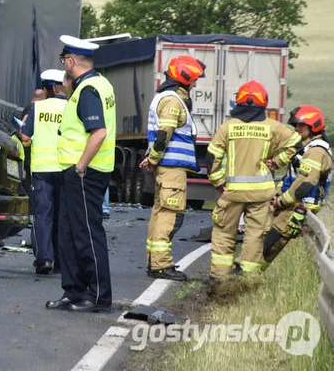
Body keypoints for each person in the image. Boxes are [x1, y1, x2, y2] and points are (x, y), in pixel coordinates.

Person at [46, 35, 116, 312]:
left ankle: (98, 296)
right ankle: (73, 291)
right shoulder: (97, 84)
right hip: (77, 173)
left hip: (85, 173)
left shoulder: (88, 90)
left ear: (71, 61)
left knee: (86, 233)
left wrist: (80, 166)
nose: (63, 66)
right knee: (68, 233)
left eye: (64, 61)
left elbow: (98, 132)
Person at [207, 81, 299, 288]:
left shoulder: (227, 127)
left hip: (232, 193)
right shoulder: (272, 127)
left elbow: (212, 156)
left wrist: (218, 181)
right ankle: (247, 279)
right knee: (255, 235)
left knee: (223, 232)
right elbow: (296, 142)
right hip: (261, 193)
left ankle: (219, 280)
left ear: (238, 101)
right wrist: (277, 161)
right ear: (263, 103)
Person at [139, 55, 206, 281]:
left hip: (167, 168)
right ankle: (161, 264)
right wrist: (155, 157)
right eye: (194, 79)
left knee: (160, 214)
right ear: (184, 78)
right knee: (170, 215)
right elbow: (163, 135)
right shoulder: (173, 101)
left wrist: (154, 158)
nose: (196, 83)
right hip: (172, 169)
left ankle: (153, 261)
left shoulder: (167, 98)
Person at [262, 104, 331, 269]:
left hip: (297, 207)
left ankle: (247, 280)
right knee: (260, 242)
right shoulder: (307, 147)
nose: (297, 129)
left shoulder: (317, 151)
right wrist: (277, 196)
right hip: (290, 204)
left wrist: (280, 202)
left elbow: (304, 184)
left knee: (267, 248)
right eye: (296, 125)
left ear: (313, 126)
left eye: (301, 125)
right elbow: (291, 177)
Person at [20, 69, 68, 275]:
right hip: (66, 168)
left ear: (48, 88)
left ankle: (44, 259)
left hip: (41, 170)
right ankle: (60, 261)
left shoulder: (37, 108)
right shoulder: (71, 108)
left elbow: (25, 137)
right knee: (62, 216)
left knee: (42, 215)